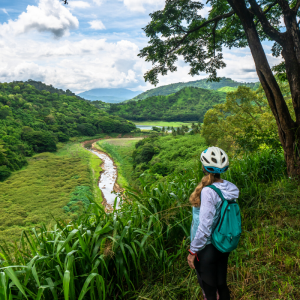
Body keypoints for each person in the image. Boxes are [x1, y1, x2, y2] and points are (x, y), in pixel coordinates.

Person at [187, 147, 239, 300]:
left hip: (206, 248)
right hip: (222, 244)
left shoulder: (208, 191)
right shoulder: (229, 188)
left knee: (209, 290)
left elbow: (204, 227)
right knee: (221, 284)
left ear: (203, 167)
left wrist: (192, 251)